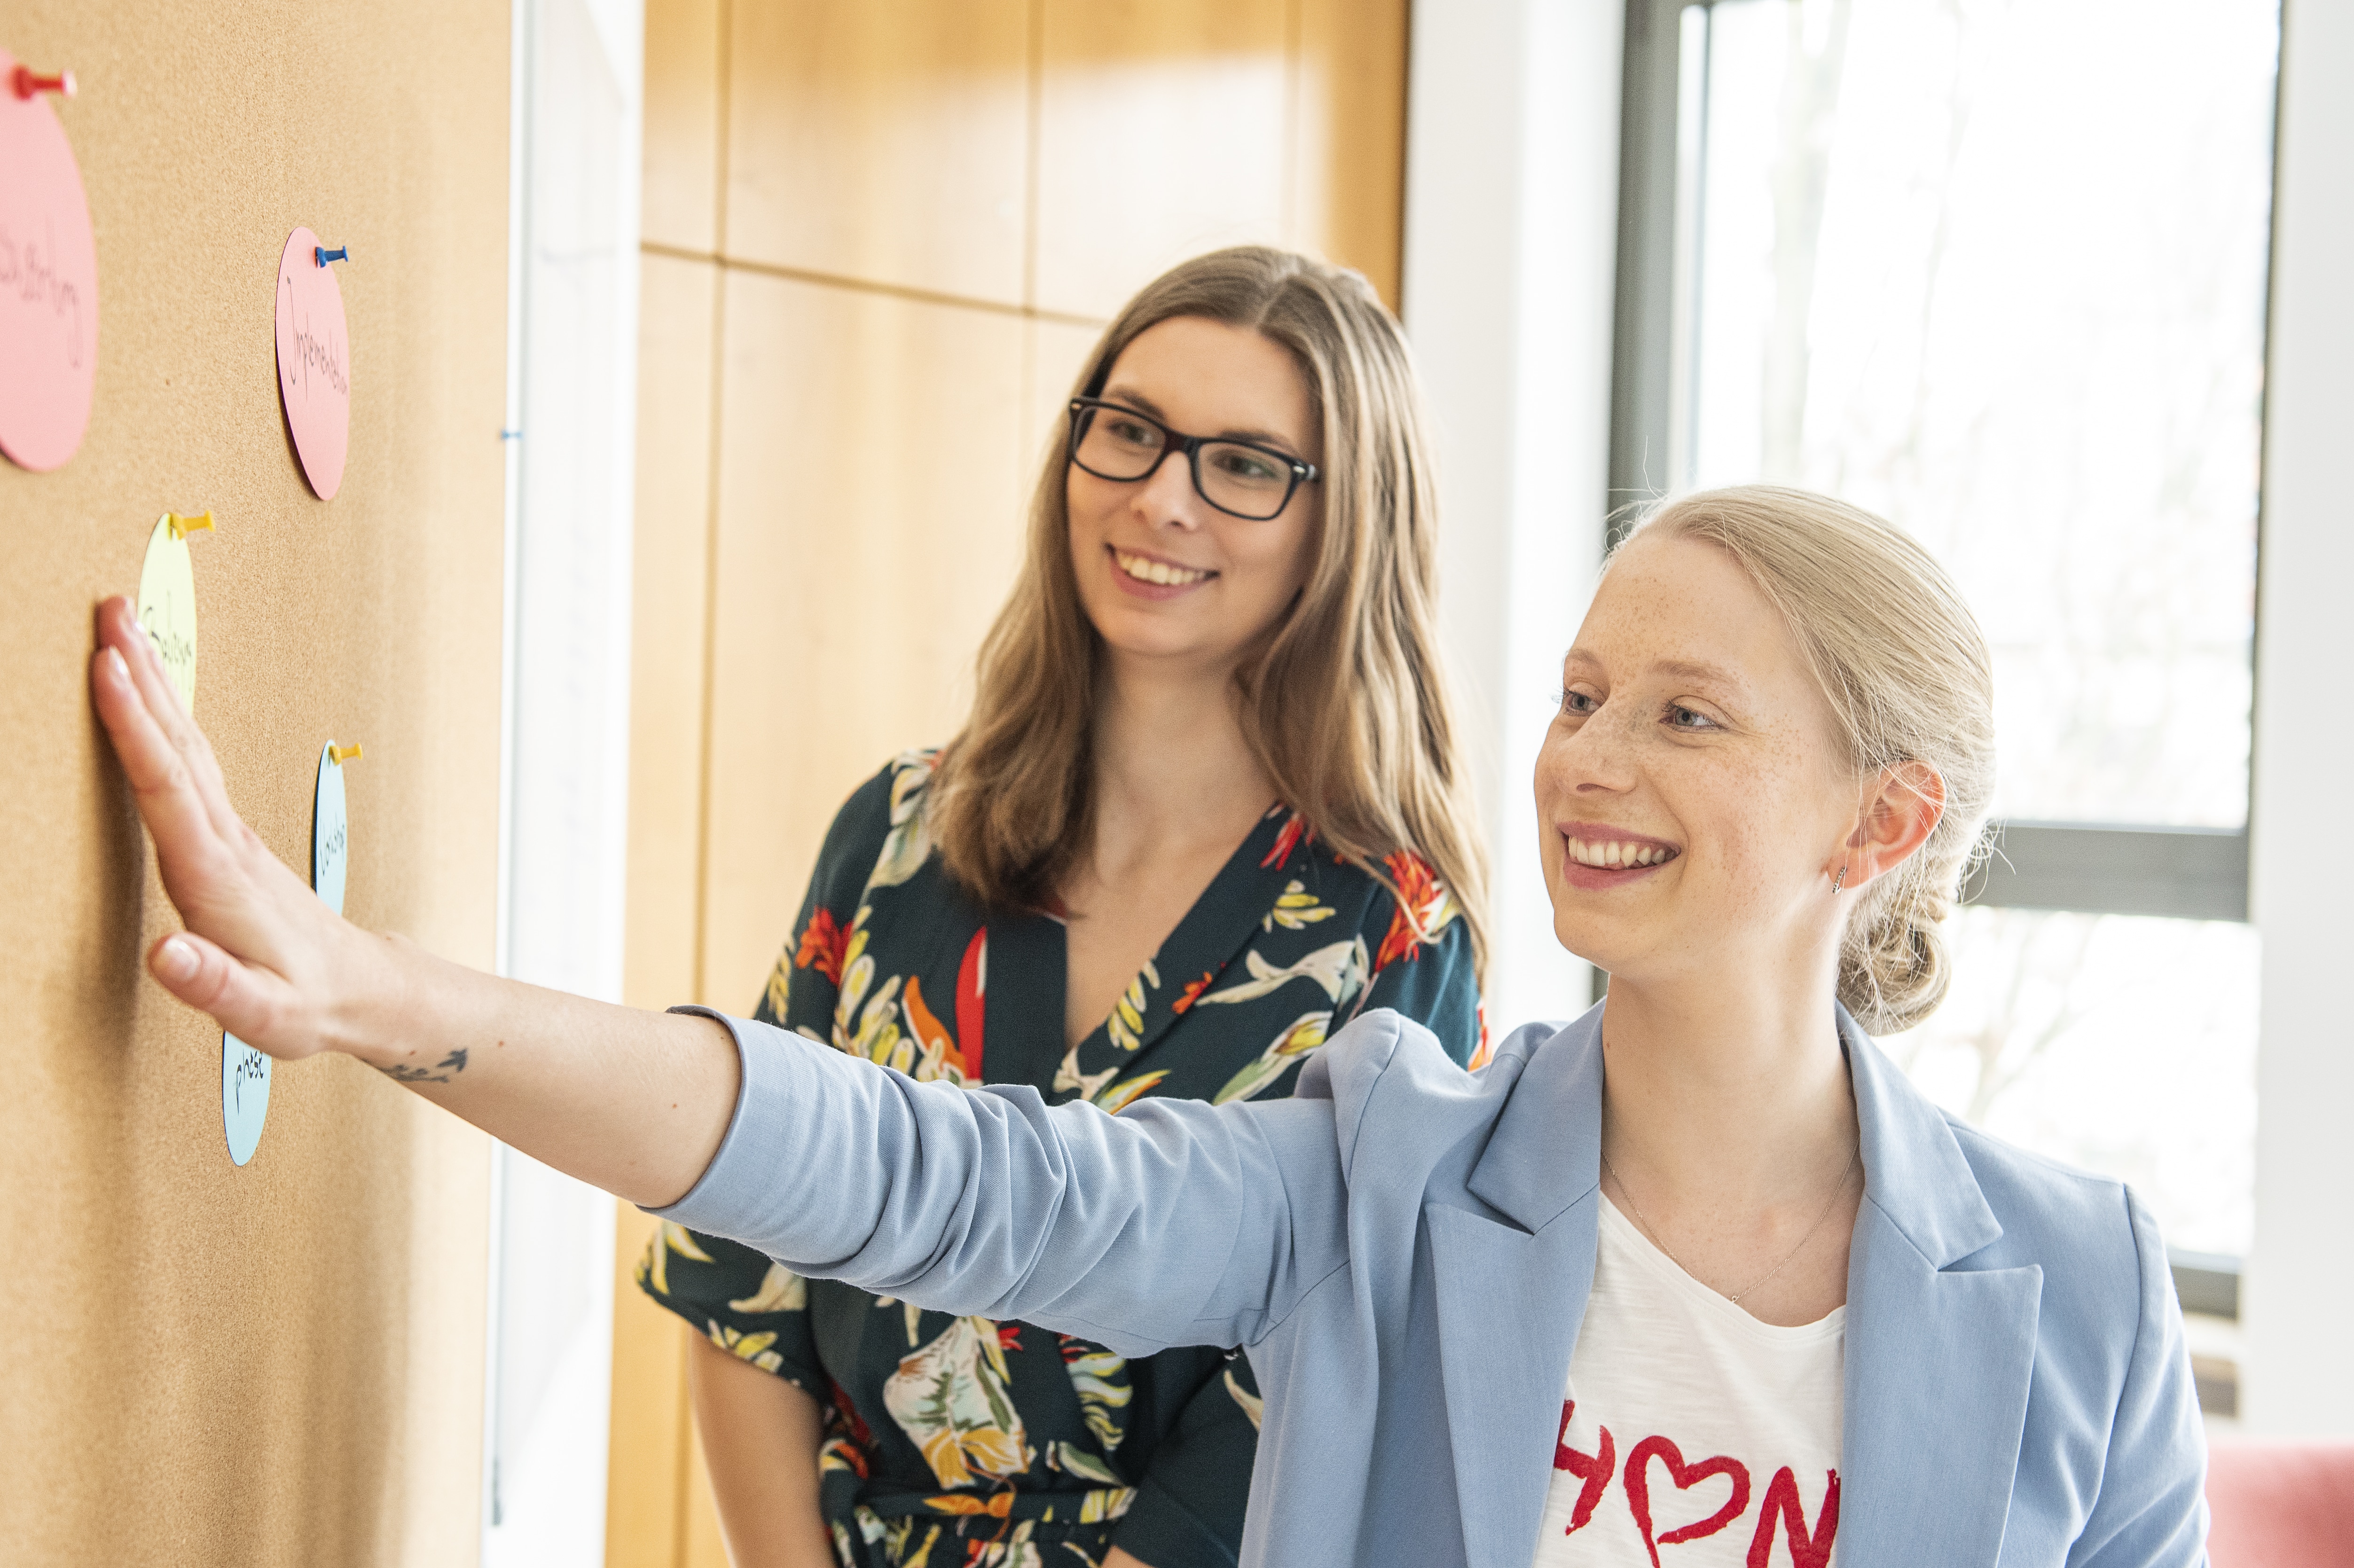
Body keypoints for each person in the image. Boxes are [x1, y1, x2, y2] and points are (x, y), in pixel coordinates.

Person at [87, 482, 2209, 1568]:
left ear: (1885, 819)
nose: (1584, 764)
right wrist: (380, 996)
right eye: (1576, 698)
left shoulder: (2080, 1296)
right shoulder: (1385, 1161)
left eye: (1685, 717)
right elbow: (921, 1171)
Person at [640, 248, 1485, 1568]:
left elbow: (1320, 1391)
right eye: (1132, 432)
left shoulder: (1395, 938)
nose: (1163, 500)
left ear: (1349, 522)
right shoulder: (899, 832)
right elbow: (740, 1261)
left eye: (1247, 464)